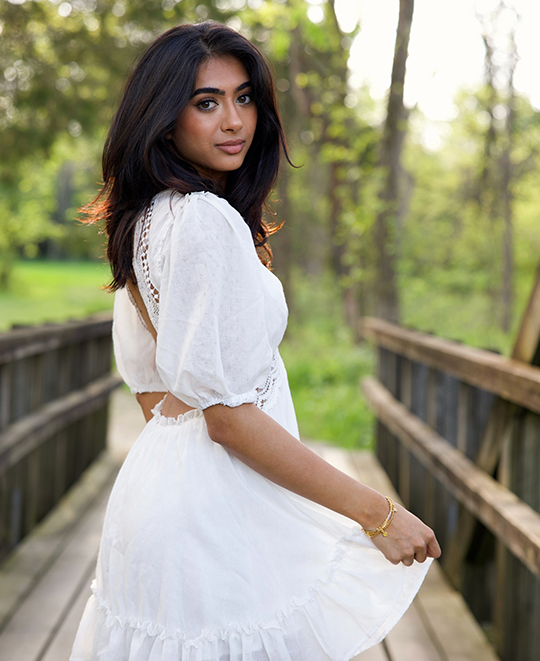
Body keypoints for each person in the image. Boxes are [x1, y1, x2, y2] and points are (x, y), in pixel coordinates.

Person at [70, 21, 441, 661]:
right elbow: (229, 422)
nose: (234, 121)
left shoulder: (147, 221)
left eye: (244, 98)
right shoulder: (206, 221)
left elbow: (153, 393)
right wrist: (377, 512)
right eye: (206, 103)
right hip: (213, 515)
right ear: (164, 117)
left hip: (156, 496)